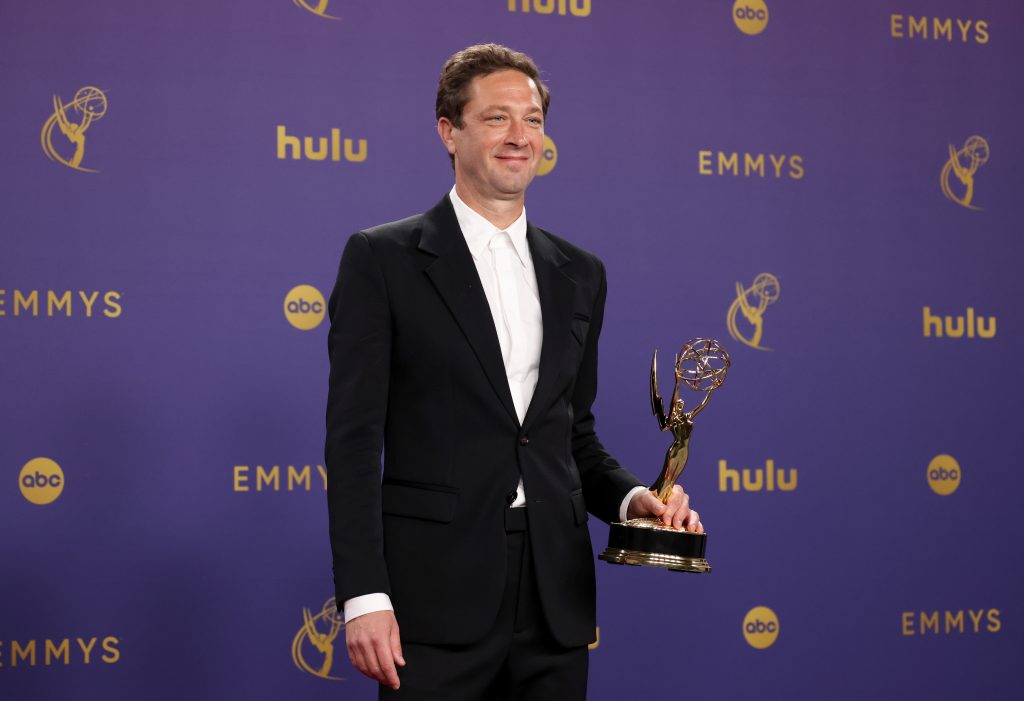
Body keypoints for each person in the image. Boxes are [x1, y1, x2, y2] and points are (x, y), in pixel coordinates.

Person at [325, 43, 703, 700]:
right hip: (432, 597)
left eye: (531, 119)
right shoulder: (382, 259)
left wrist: (630, 498)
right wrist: (363, 592)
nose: (519, 137)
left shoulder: (580, 273)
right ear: (450, 131)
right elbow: (354, 443)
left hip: (554, 596)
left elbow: (569, 433)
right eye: (497, 118)